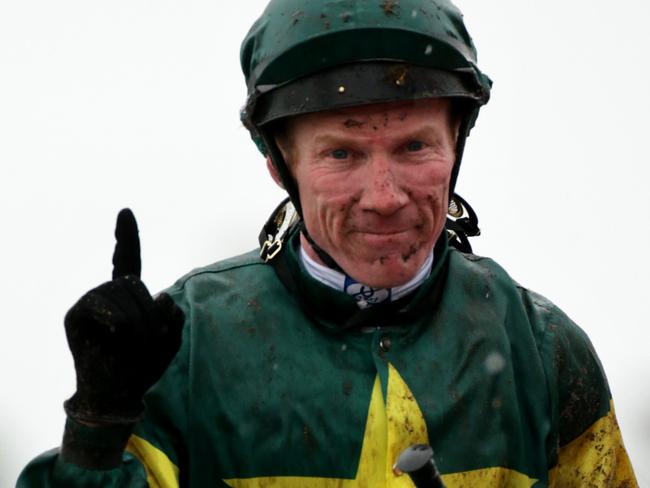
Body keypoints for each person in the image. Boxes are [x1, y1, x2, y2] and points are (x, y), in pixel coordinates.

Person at [17, 0, 638, 486]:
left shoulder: (544, 350)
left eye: (414, 146)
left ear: (456, 146)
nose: (384, 194)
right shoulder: (186, 348)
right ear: (280, 166)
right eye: (342, 153)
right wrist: (96, 432)